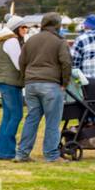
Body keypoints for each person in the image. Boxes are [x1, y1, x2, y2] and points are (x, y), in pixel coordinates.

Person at [15, 11, 72, 162]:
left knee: (31, 119)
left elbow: (22, 61)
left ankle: (22, 154)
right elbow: (66, 63)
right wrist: (64, 83)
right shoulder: (59, 41)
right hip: (51, 84)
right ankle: (52, 155)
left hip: (31, 84)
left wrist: (26, 78)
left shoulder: (31, 40)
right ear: (57, 25)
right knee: (52, 122)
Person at [0, 16, 29, 159]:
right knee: (16, 115)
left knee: (8, 116)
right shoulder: (12, 40)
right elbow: (19, 64)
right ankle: (7, 151)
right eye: (23, 27)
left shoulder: (5, 39)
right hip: (10, 82)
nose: (25, 30)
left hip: (4, 81)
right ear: (16, 28)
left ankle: (2, 151)